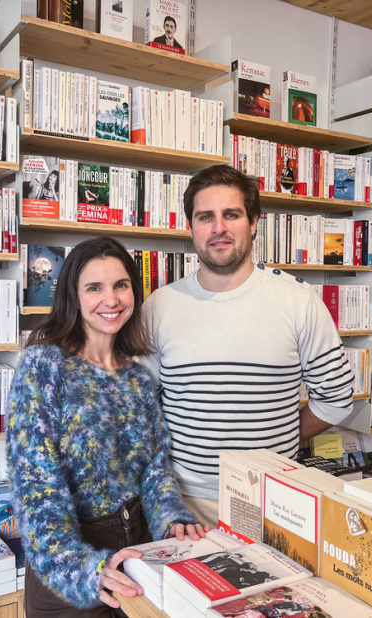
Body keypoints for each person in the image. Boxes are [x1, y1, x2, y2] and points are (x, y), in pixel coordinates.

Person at [6, 236, 209, 616]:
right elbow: (36, 489)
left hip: (141, 547)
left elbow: (153, 468)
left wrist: (172, 516)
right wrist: (79, 567)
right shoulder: (43, 367)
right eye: (94, 288)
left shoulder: (137, 376)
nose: (111, 300)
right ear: (74, 296)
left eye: (121, 285)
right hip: (72, 561)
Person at [142, 164, 354, 526]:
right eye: (205, 216)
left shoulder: (299, 302)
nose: (218, 228)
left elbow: (335, 401)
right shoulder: (158, 307)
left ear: (254, 222)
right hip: (182, 506)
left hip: (274, 498)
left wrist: (280, 443)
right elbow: (141, 406)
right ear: (191, 226)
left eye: (232, 215)